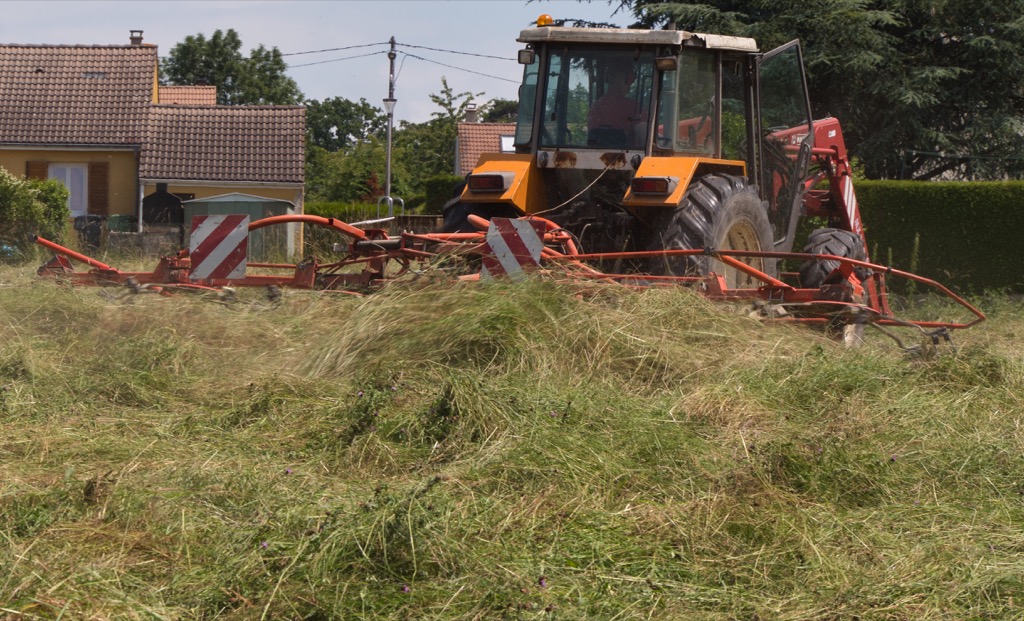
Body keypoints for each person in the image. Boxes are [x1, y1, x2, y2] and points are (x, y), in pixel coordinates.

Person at [587, 63, 646, 146]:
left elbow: (592, 141)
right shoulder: (633, 107)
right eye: (630, 78)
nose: (631, 84)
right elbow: (645, 138)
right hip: (628, 154)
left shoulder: (595, 108)